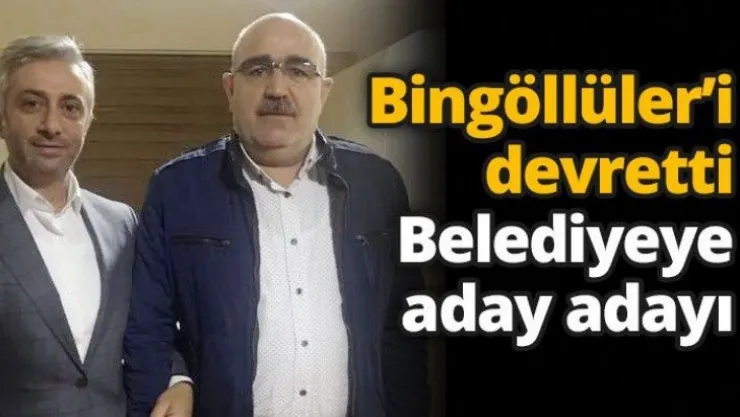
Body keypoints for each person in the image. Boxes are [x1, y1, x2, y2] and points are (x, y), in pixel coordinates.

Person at [123, 12, 430, 417]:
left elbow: (403, 326)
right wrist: (175, 379)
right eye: (257, 70)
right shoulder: (176, 189)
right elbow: (148, 327)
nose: (277, 88)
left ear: (323, 90)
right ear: (230, 88)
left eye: (299, 71)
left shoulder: (379, 184)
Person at [0, 35, 191, 417]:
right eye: (32, 104)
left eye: (70, 107)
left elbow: (150, 322)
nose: (51, 125)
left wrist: (178, 379)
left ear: (88, 120)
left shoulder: (121, 223)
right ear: (3, 117)